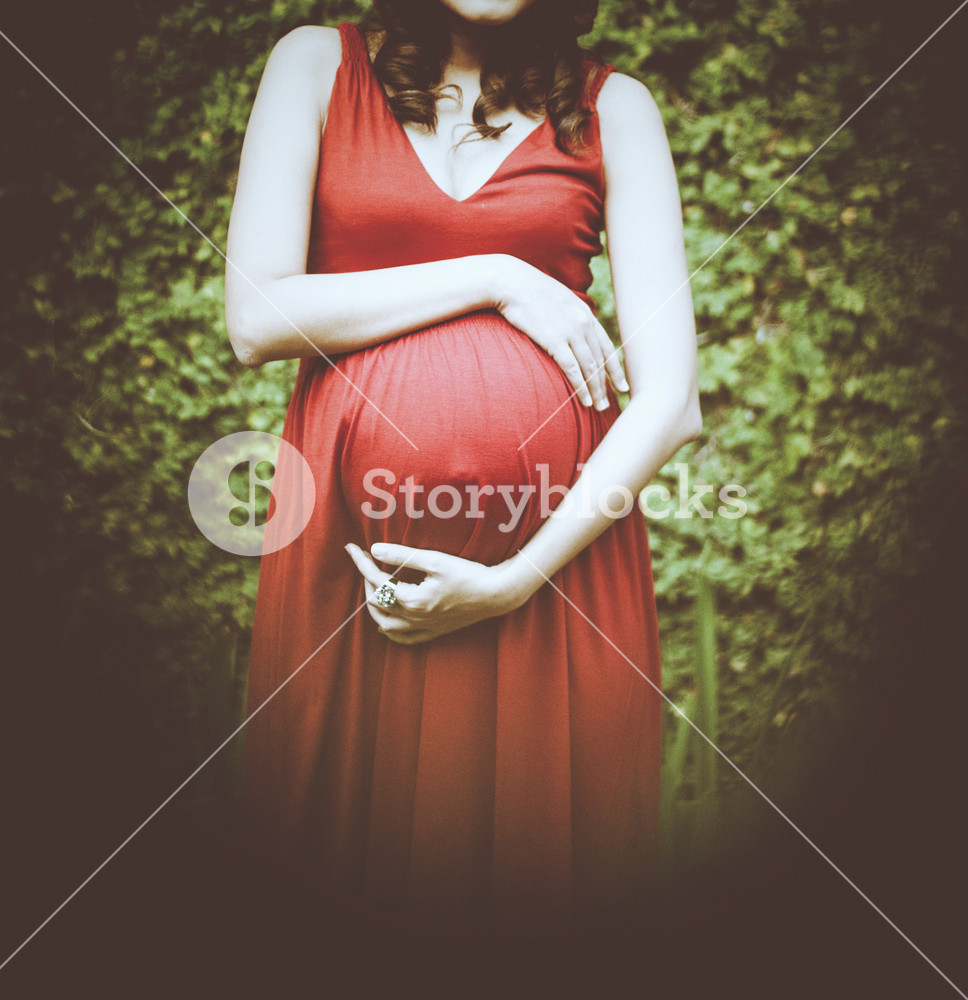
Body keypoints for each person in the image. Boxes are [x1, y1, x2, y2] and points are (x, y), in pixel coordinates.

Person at [224, 0, 700, 936]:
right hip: (349, 573)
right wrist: (498, 273)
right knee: (335, 875)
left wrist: (515, 581)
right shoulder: (315, 67)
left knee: (541, 886)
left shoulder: (619, 110)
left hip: (555, 581)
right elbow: (255, 316)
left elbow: (671, 400)